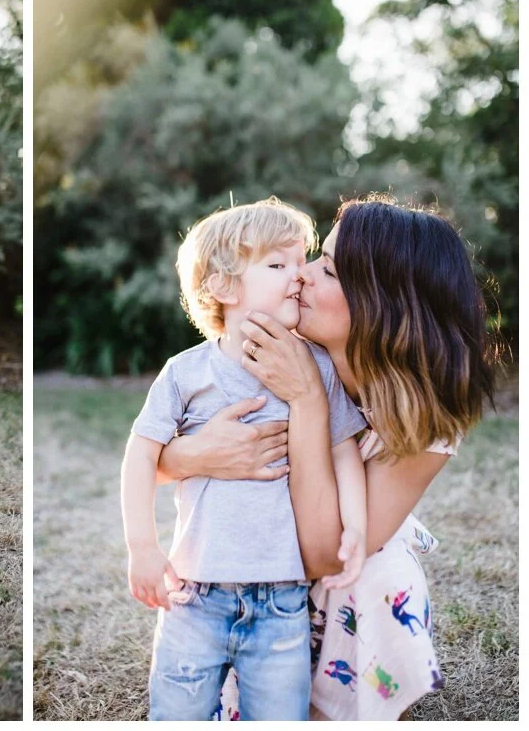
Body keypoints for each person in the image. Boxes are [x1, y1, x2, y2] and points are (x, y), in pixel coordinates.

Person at [157, 197, 496, 720]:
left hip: (330, 551)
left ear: (382, 302)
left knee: (381, 573)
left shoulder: (430, 419)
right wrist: (190, 454)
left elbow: (323, 555)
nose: (303, 275)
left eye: (329, 269)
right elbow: (154, 456)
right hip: (252, 557)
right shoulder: (277, 341)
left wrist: (310, 400)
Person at [120, 199, 369, 721]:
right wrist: (143, 547)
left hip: (282, 600)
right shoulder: (186, 374)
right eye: (278, 265)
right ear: (224, 288)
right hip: (195, 594)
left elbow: (344, 448)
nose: (299, 276)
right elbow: (141, 454)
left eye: (301, 262)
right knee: (176, 714)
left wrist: (358, 526)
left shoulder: (315, 366)